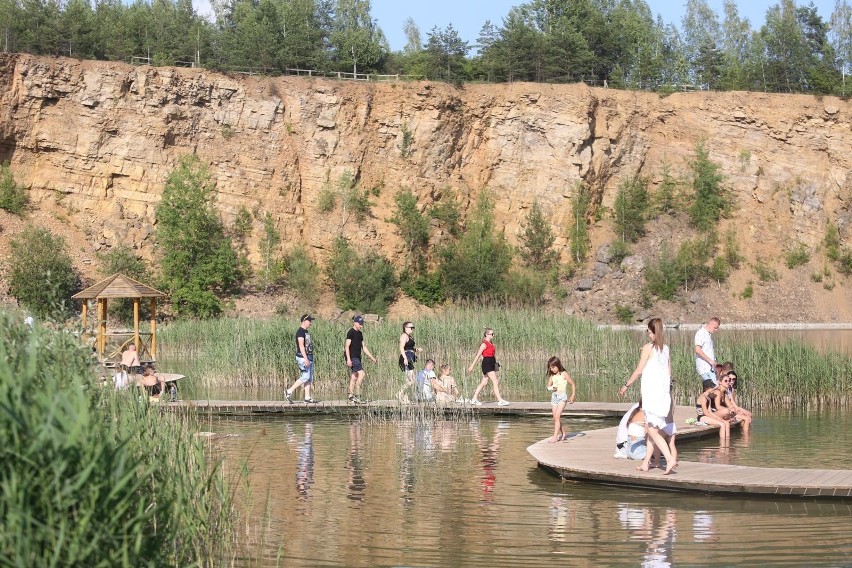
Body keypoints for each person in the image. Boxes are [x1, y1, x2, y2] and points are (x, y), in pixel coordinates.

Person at [619, 318, 677, 475]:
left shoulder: (648, 348)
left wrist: (626, 385)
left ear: (651, 331)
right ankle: (646, 463)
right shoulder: (666, 349)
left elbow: (638, 370)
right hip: (663, 394)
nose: (648, 334)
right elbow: (668, 373)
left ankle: (669, 459)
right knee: (654, 428)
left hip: (652, 394)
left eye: (648, 331)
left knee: (651, 430)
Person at [467, 327, 509, 406]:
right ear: (487, 334)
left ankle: (474, 399)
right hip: (487, 363)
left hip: (491, 362)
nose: (493, 335)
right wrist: (472, 366)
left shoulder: (491, 343)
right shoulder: (484, 344)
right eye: (491, 334)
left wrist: (496, 364)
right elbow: (478, 355)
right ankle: (500, 400)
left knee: (484, 382)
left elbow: (492, 354)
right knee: (495, 381)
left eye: (493, 334)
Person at [285, 314, 318, 404]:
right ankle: (289, 391)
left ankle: (307, 397)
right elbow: (301, 345)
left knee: (309, 378)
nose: (311, 323)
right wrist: (306, 358)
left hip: (309, 357)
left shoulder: (305, 331)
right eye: (309, 321)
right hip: (303, 357)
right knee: (305, 376)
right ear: (304, 321)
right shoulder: (300, 332)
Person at [345, 315, 377, 404]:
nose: (361, 326)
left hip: (358, 357)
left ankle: (350, 396)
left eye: (362, 324)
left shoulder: (360, 334)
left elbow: (364, 347)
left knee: (354, 376)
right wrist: (348, 359)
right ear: (355, 323)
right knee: (362, 374)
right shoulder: (351, 332)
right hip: (352, 357)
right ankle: (357, 395)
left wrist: (372, 357)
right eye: (360, 324)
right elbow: (347, 346)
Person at [545, 356, 576, 443]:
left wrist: (573, 395)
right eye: (550, 368)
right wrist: (552, 388)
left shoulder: (564, 374)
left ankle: (555, 437)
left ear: (558, 365)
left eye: (553, 367)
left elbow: (573, 384)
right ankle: (563, 433)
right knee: (555, 418)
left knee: (557, 416)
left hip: (562, 397)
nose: (552, 369)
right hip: (554, 398)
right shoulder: (552, 376)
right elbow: (548, 387)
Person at [694, 317, 721, 388]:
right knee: (713, 389)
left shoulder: (708, 335)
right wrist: (710, 361)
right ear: (710, 323)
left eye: (717, 328)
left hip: (710, 368)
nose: (716, 330)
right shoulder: (701, 333)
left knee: (715, 388)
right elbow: (697, 350)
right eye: (715, 328)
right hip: (704, 368)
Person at [396, 321, 419, 402]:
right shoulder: (404, 336)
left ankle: (405, 397)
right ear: (405, 327)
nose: (412, 329)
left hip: (409, 358)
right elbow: (401, 347)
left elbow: (409, 348)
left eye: (413, 327)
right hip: (406, 358)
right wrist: (405, 358)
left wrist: (416, 349)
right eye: (411, 327)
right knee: (411, 380)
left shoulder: (409, 336)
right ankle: (400, 393)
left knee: (409, 380)